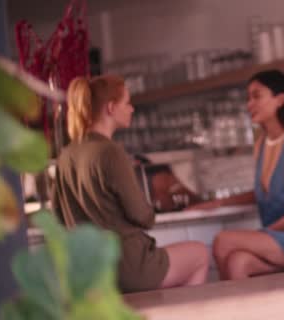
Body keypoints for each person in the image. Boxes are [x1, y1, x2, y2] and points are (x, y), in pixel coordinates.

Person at [52, 75, 209, 292]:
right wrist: (151, 211)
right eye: (127, 103)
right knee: (200, 254)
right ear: (110, 108)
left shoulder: (65, 155)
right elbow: (141, 214)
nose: (132, 109)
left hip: (90, 272)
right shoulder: (110, 151)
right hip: (126, 265)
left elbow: (58, 217)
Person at [186, 69, 284, 280]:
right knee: (238, 262)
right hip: (279, 238)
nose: (249, 105)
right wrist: (218, 203)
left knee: (223, 241)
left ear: (280, 99)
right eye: (248, 98)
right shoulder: (261, 144)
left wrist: (263, 233)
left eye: (257, 96)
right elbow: (264, 192)